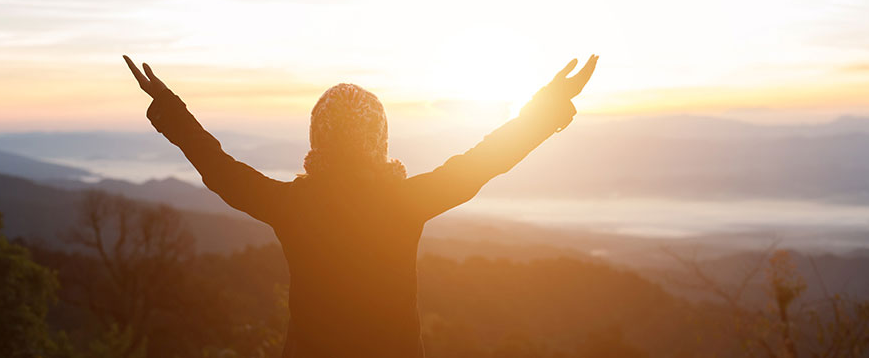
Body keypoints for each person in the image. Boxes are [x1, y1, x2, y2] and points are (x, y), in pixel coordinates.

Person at [124, 53, 598, 358]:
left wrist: (170, 110)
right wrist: (547, 108)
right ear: (380, 138)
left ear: (318, 136)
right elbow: (486, 160)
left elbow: (219, 168)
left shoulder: (292, 205)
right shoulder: (405, 201)